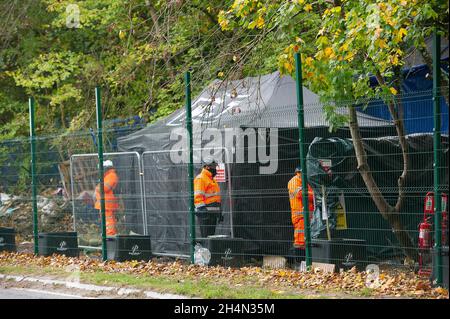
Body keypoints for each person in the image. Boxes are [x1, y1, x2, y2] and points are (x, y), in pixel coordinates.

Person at [287, 166, 315, 260]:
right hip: (300, 216)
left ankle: (304, 262)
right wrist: (315, 194)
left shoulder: (306, 181)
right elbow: (300, 194)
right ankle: (299, 262)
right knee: (300, 241)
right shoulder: (294, 181)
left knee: (306, 240)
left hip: (309, 215)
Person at [194, 158, 223, 238]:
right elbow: (198, 196)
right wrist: (202, 211)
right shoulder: (201, 178)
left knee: (210, 237)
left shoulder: (212, 180)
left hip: (212, 214)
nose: (215, 169)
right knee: (206, 237)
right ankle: (205, 250)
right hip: (205, 214)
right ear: (207, 167)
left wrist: (219, 212)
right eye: (213, 167)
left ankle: (208, 250)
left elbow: (215, 198)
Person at [95, 160, 119, 236]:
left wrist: (98, 188)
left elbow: (105, 188)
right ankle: (107, 234)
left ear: (106, 168)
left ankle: (110, 235)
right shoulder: (108, 176)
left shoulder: (111, 175)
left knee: (108, 220)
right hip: (104, 203)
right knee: (106, 220)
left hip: (107, 203)